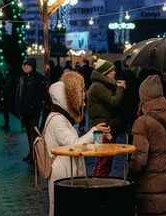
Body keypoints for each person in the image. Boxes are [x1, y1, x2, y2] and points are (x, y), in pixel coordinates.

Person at [44, 71, 110, 216]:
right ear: (69, 100)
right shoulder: (58, 120)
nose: (84, 104)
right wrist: (94, 132)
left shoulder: (61, 118)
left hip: (67, 172)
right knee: (62, 208)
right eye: (81, 100)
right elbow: (75, 144)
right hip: (64, 174)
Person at [128, 75, 166, 216]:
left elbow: (139, 160)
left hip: (150, 186)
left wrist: (130, 177)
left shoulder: (143, 122)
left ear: (144, 96)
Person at [87, 57, 126, 177]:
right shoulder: (98, 86)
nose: (114, 72)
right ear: (104, 73)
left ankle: (98, 183)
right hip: (103, 129)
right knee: (104, 161)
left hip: (104, 127)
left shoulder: (101, 85)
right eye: (111, 71)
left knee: (103, 160)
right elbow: (113, 101)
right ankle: (99, 187)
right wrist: (121, 88)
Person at [16, 57, 46, 162]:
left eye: (28, 65)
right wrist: (18, 106)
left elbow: (42, 94)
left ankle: (36, 154)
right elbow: (19, 92)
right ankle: (31, 152)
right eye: (24, 65)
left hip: (34, 111)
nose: (26, 67)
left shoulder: (39, 78)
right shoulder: (22, 78)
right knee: (29, 133)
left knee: (34, 133)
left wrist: (36, 105)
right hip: (24, 111)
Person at [0, 65, 19, 133]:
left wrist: (3, 95)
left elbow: (7, 87)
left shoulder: (9, 77)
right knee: (9, 110)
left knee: (10, 110)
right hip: (11, 96)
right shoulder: (13, 77)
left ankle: (22, 120)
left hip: (9, 97)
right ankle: (7, 124)